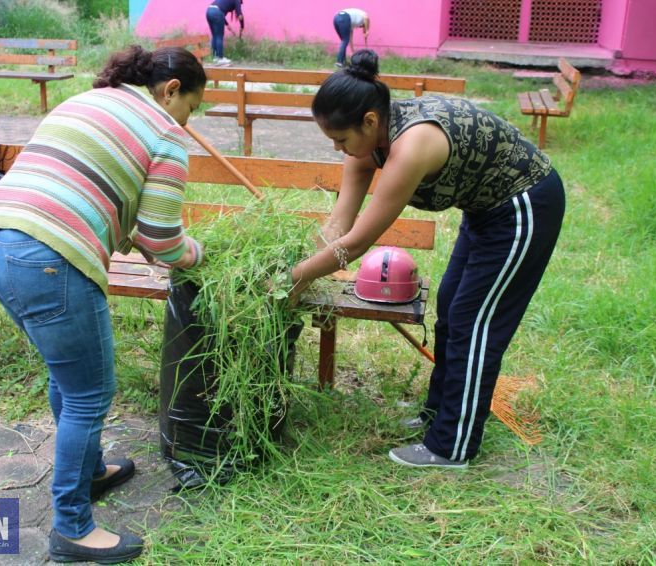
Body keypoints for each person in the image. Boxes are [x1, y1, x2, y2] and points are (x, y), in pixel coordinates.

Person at [0, 45, 207, 564]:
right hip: (50, 259)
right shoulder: (166, 133)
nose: (189, 121)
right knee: (89, 394)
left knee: (69, 378)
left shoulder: (88, 99)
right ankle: (72, 530)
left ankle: (92, 470)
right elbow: (161, 239)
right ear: (172, 90)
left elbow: (91, 185)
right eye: (192, 107)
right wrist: (199, 254)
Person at [289, 50, 565, 469]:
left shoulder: (413, 144)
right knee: (451, 312)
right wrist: (297, 259)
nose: (338, 148)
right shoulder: (368, 142)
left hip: (523, 205)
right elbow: (339, 226)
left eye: (341, 140)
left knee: (475, 324)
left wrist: (297, 279)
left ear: (369, 121)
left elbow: (359, 241)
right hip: (485, 210)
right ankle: (438, 416)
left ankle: (452, 446)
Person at [206, 0, 244, 66]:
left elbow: (220, 9)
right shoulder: (237, 0)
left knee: (215, 35)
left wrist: (227, 25)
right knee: (219, 36)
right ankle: (220, 58)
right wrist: (242, 26)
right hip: (217, 12)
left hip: (209, 11)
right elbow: (240, 16)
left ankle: (215, 58)